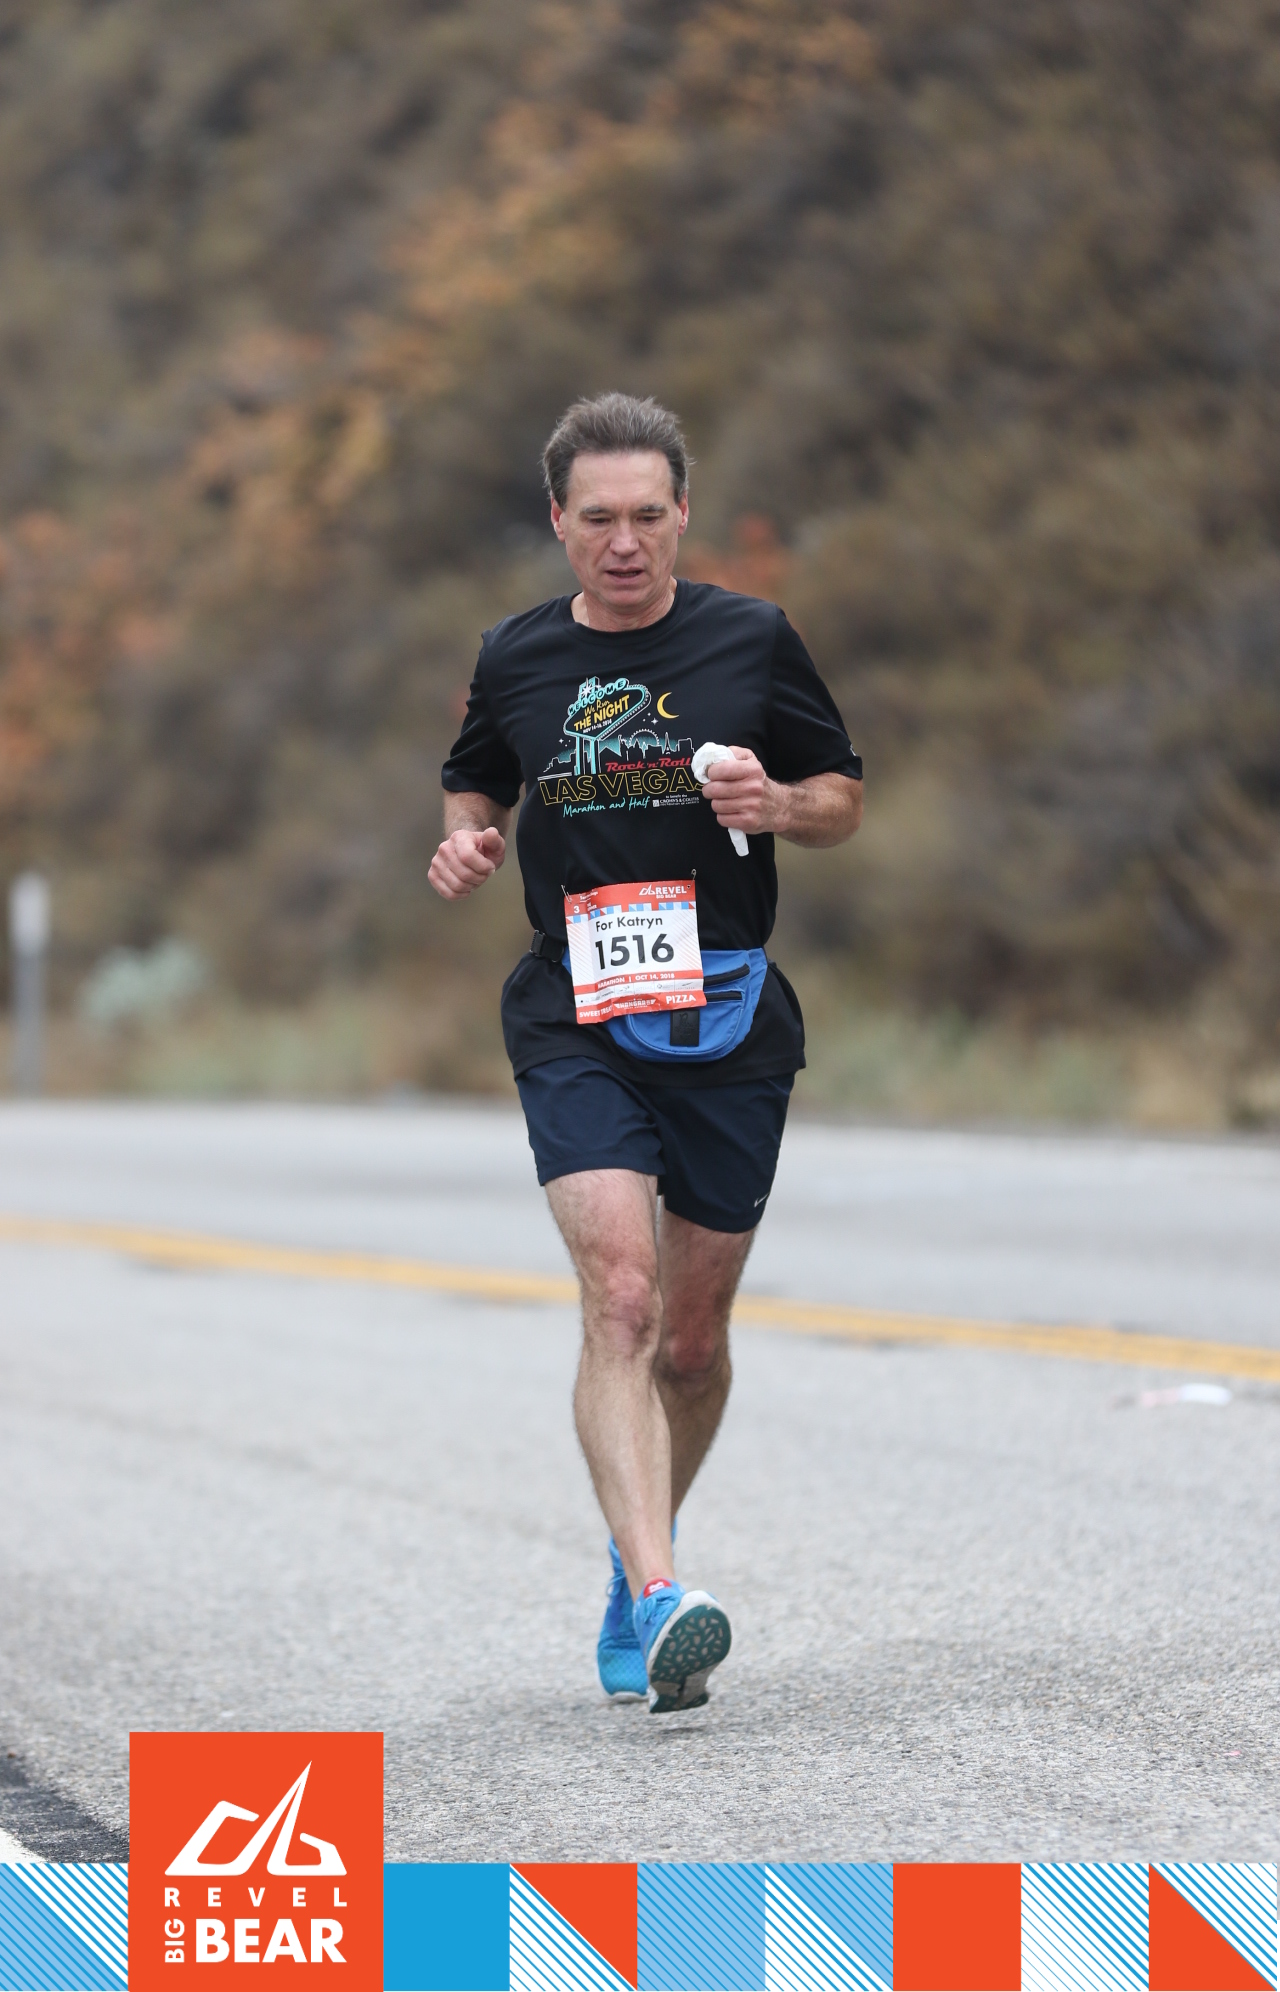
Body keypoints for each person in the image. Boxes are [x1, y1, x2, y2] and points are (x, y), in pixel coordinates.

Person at [429, 392, 862, 1712]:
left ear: (683, 516)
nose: (624, 543)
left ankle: (632, 1565)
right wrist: (466, 837)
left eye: (648, 517)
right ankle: (667, 1591)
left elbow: (842, 797)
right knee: (621, 1295)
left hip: (726, 1014)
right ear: (559, 521)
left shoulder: (752, 638)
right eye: (598, 519)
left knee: (690, 1342)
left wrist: (778, 802)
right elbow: (475, 773)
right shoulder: (515, 656)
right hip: (575, 1012)